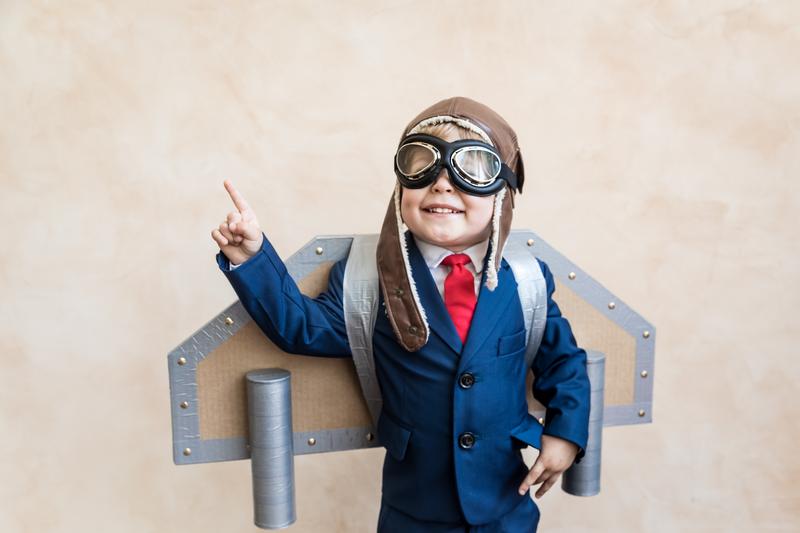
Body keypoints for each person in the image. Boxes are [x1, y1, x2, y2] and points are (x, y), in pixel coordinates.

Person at [211, 96, 590, 532]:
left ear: (502, 196)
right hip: (414, 512)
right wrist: (252, 258)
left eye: (472, 169)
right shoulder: (367, 282)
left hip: (507, 507)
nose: (443, 185)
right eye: (423, 165)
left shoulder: (528, 283)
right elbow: (301, 328)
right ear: (400, 190)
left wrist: (564, 435)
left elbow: (564, 362)